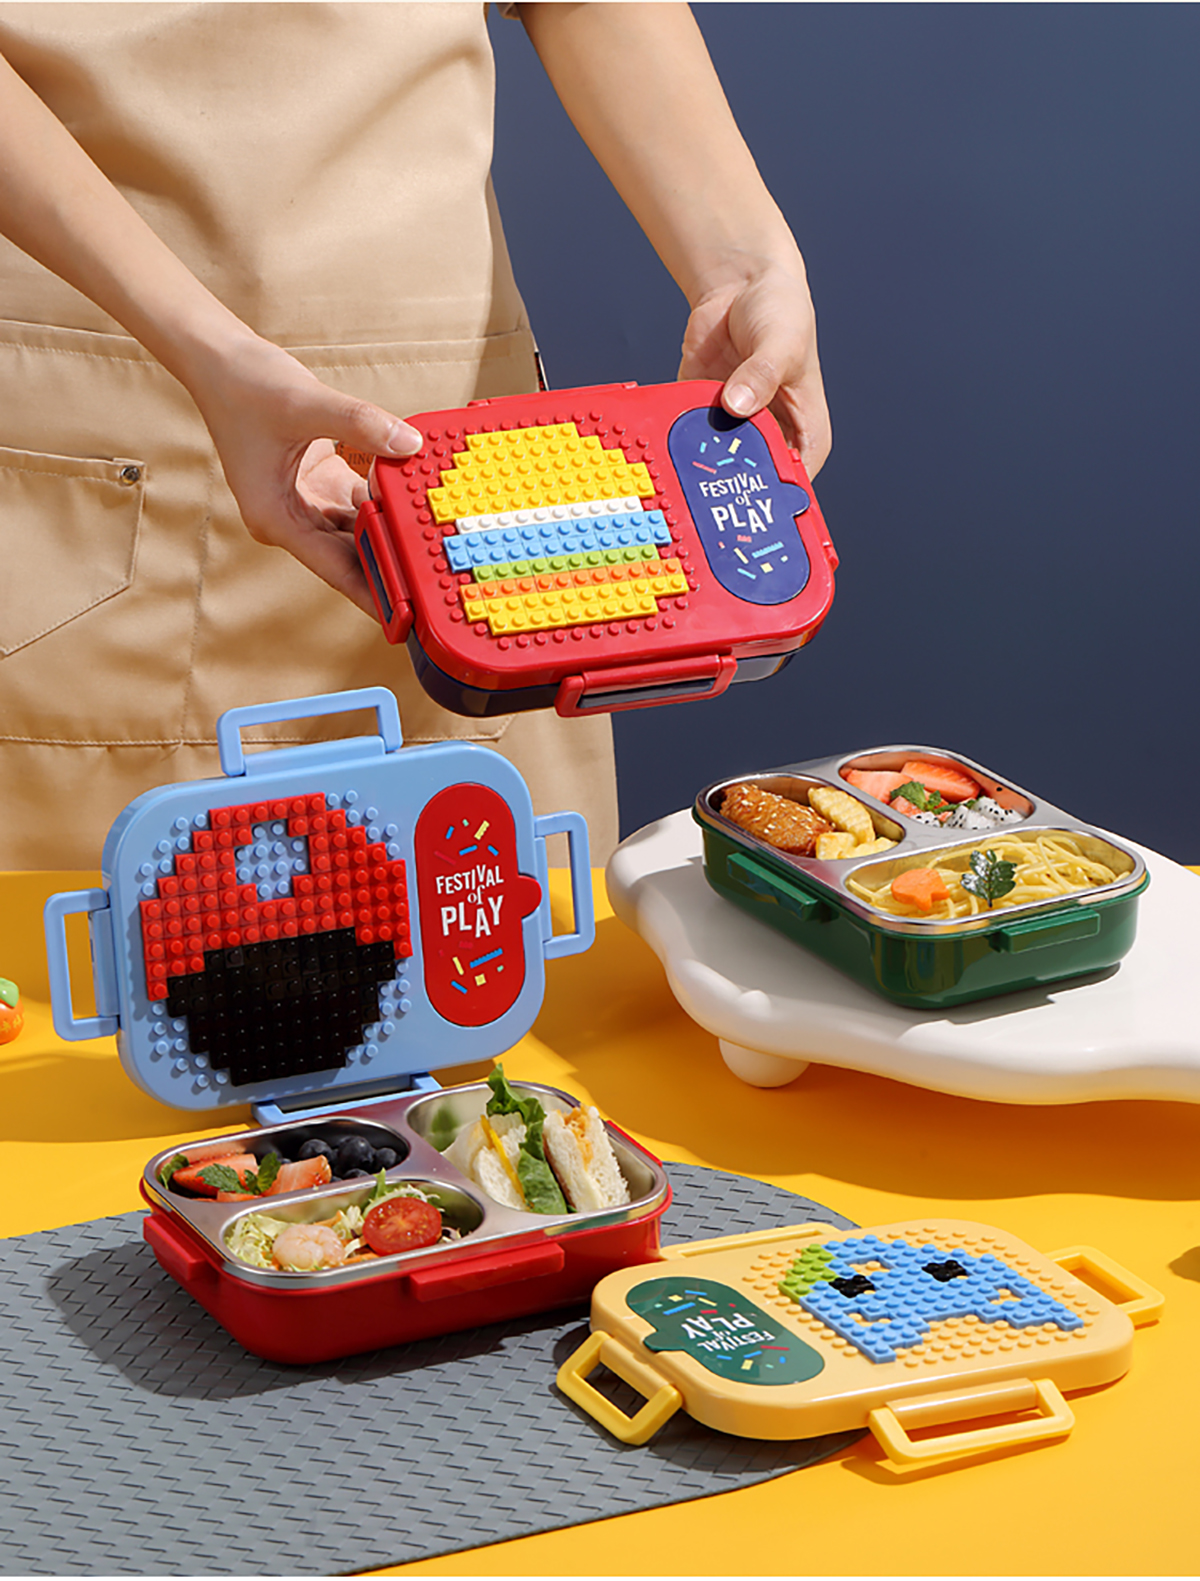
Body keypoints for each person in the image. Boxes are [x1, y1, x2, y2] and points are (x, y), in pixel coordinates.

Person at [0, 2, 830, 870]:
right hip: (113, 413)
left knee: (491, 934)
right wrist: (209, 353)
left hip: (472, 492)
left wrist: (743, 266)